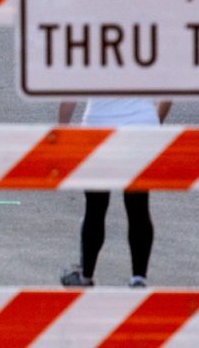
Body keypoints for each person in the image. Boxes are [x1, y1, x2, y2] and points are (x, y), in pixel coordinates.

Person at [58, 98, 173, 288]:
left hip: (98, 125)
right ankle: (138, 279)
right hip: (141, 126)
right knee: (138, 206)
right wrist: (154, 120)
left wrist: (62, 133)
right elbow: (169, 91)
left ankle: (85, 276)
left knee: (95, 207)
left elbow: (69, 94)